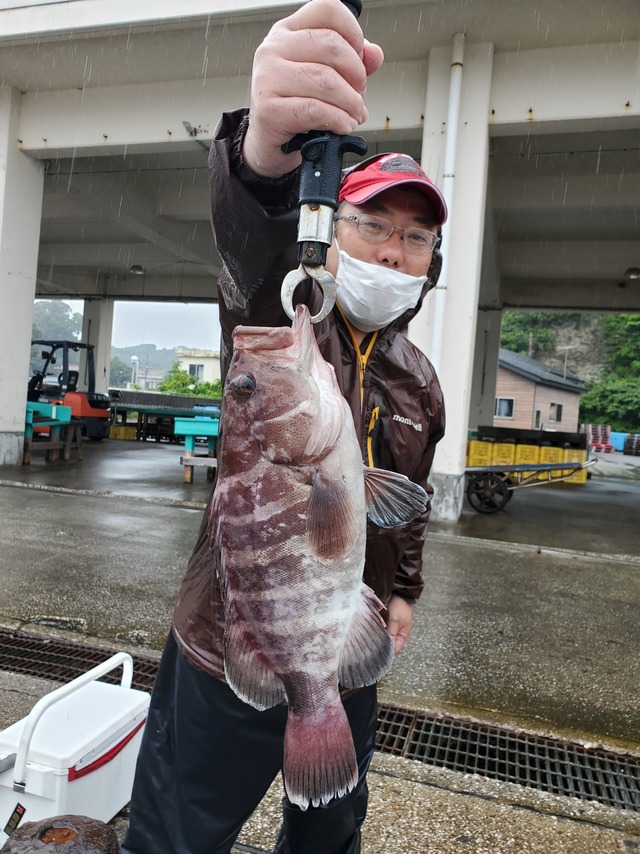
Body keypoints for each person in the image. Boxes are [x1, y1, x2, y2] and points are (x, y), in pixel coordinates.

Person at [122, 1, 445, 852]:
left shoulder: (422, 382)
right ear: (331, 233)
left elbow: (404, 507)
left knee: (329, 834)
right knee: (177, 834)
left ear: (431, 265)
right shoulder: (288, 318)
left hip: (346, 629)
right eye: (371, 224)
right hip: (225, 640)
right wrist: (265, 155)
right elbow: (254, 244)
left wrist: (404, 589)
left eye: (413, 238)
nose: (390, 251)